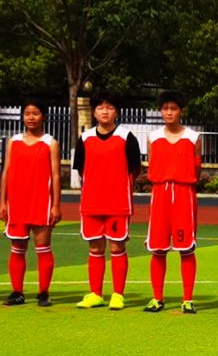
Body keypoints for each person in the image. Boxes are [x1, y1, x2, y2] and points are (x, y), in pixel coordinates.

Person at [76, 96, 143, 310]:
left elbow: (135, 168)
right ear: (94, 112)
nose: (105, 111)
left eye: (110, 107)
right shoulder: (85, 138)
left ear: (116, 112)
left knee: (116, 246)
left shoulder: (127, 137)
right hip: (91, 202)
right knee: (95, 247)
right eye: (100, 107)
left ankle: (117, 294)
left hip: (118, 202)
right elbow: (80, 168)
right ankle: (95, 293)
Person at [143, 93, 203, 312]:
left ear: (181, 111)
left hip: (184, 193)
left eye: (173, 109)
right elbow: (152, 164)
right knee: (158, 249)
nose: (169, 112)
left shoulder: (193, 137)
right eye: (165, 108)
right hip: (160, 194)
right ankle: (157, 298)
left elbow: (197, 168)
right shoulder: (153, 137)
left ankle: (187, 299)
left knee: (186, 248)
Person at [0, 101, 60, 307]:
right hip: (17, 202)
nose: (31, 117)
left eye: (35, 113)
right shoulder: (14, 141)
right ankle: (17, 292)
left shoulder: (50, 142)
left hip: (41, 202)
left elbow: (56, 175)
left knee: (43, 247)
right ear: (22, 117)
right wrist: (3, 202)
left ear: (43, 116)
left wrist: (56, 205)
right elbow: (6, 171)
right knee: (17, 248)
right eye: (27, 113)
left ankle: (43, 293)